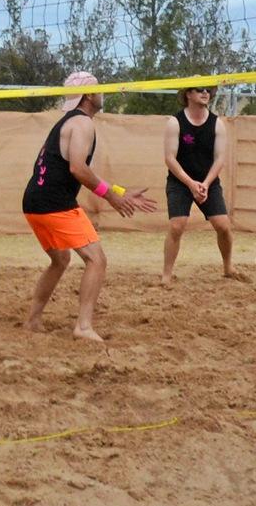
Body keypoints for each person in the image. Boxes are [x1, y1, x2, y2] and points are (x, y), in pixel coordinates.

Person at [22, 71, 157, 341]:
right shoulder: (83, 124)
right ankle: (83, 327)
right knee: (97, 259)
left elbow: (79, 168)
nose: (102, 93)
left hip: (34, 201)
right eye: (100, 89)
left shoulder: (70, 122)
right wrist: (112, 197)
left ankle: (33, 320)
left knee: (60, 260)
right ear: (89, 95)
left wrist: (119, 191)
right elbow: (78, 169)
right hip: (54, 204)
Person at [160, 84, 242, 284]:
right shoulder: (175, 122)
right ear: (188, 94)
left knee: (223, 226)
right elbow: (170, 159)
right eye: (199, 89)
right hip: (180, 181)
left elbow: (220, 159)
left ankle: (228, 267)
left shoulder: (217, 124)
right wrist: (190, 184)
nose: (205, 93)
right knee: (177, 226)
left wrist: (204, 184)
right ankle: (166, 275)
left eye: (207, 90)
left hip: (208, 182)